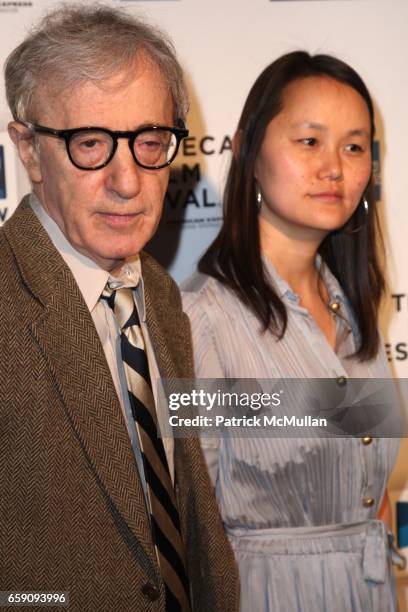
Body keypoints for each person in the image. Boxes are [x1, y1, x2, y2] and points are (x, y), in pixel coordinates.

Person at [0, 5, 239, 611]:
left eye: (150, 142)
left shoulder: (158, 293)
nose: (128, 181)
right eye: (90, 145)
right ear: (29, 150)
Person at [182, 51, 400, 611]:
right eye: (310, 141)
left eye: (354, 146)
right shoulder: (199, 318)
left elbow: (371, 497)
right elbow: (189, 524)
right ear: (248, 151)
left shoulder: (357, 312)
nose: (335, 167)